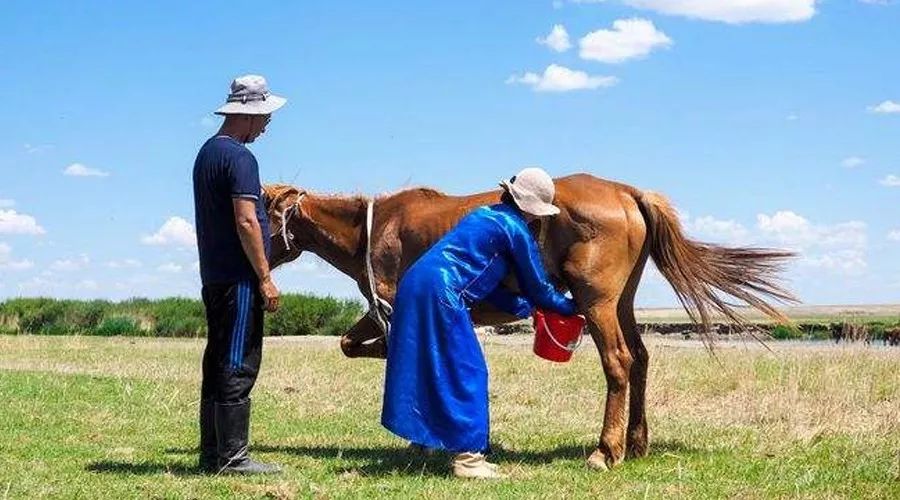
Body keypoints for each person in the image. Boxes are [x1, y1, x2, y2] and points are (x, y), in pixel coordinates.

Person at [381, 167, 579, 479]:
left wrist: (523, 308)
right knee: (467, 369)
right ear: (533, 210)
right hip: (442, 293)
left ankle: (422, 440)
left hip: (416, 283)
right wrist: (573, 306)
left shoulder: (485, 215)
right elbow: (539, 288)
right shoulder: (516, 230)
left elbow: (483, 280)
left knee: (426, 363)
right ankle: (469, 460)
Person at [192, 74, 286, 474]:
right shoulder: (241, 159)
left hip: (214, 276)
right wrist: (264, 278)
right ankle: (232, 458)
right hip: (239, 279)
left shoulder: (207, 154)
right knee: (237, 362)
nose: (266, 126)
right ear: (248, 115)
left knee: (216, 360)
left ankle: (212, 452)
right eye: (265, 117)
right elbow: (247, 220)